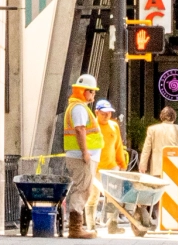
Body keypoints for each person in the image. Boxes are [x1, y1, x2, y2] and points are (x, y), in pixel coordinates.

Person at [62, 74, 103, 237]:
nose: (93, 95)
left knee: (84, 188)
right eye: (92, 92)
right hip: (81, 157)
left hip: (81, 156)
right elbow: (80, 130)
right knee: (82, 189)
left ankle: (77, 227)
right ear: (84, 91)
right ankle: (75, 228)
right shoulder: (79, 108)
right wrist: (85, 152)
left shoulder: (78, 107)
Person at [141, 105, 178, 178]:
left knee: (159, 188)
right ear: (174, 117)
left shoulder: (152, 129)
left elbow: (146, 149)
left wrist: (143, 165)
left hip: (158, 167)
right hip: (176, 165)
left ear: (161, 117)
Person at [96, 100, 129, 173]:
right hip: (95, 168)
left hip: (112, 167)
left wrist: (122, 163)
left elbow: (118, 146)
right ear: (97, 113)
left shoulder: (114, 125)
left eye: (109, 113)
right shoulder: (92, 126)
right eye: (103, 114)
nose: (106, 116)